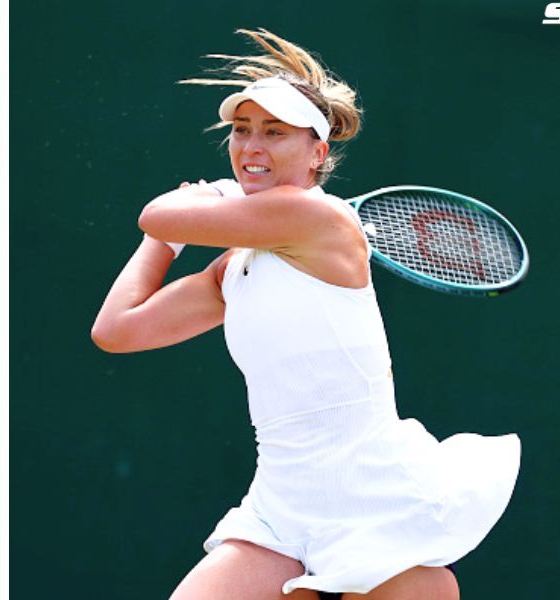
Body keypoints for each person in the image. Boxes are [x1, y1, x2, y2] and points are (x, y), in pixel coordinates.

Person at [91, 29, 519, 600]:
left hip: (372, 499)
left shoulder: (321, 221)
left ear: (318, 153)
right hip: (280, 506)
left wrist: (208, 200)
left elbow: (157, 211)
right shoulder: (234, 268)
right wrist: (164, 244)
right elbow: (116, 330)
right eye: (241, 131)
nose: (251, 146)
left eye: (274, 132)